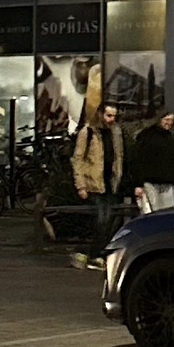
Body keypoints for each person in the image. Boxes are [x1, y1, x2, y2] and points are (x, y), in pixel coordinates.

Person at [71, 102, 126, 248]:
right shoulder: (88, 132)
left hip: (110, 182)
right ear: (101, 115)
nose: (112, 119)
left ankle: (101, 251)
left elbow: (118, 156)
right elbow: (78, 159)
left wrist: (118, 176)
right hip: (94, 183)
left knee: (109, 220)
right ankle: (96, 252)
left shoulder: (115, 132)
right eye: (109, 115)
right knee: (101, 220)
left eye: (114, 116)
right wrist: (81, 185)